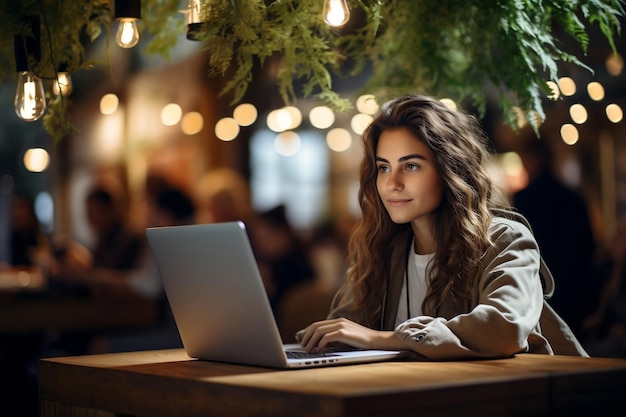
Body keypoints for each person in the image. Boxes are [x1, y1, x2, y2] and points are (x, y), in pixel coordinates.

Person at [297, 94, 588, 359]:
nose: (392, 183)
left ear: (450, 169)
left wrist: (381, 338)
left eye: (410, 166)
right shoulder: (384, 248)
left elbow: (504, 328)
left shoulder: (505, 240)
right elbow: (346, 328)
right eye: (384, 167)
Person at [512, 139, 596, 337]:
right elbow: (588, 245)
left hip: (537, 283)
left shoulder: (524, 198)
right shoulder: (573, 197)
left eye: (525, 159)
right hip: (574, 286)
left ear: (536, 159)